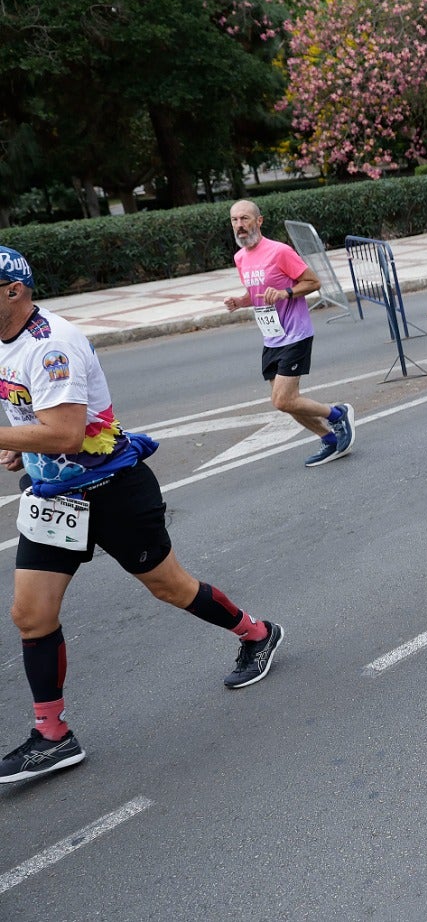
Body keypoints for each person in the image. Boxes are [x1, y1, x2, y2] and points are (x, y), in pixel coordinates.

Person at [0, 247, 284, 784]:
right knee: (30, 614)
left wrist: (24, 439)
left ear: (13, 291)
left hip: (112, 489)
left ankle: (256, 633)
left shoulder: (50, 344)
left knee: (170, 587)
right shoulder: (5, 343)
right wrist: (20, 448)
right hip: (54, 498)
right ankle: (52, 735)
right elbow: (35, 419)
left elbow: (64, 432)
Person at [221, 200, 353, 468]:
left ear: (259, 221)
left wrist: (286, 293)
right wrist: (240, 301)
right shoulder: (240, 257)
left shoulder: (279, 252)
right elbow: (255, 292)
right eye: (234, 220)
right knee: (286, 403)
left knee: (283, 399)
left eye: (245, 219)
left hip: (296, 334)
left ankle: (338, 414)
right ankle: (328, 439)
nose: (239, 225)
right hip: (271, 336)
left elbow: (314, 281)